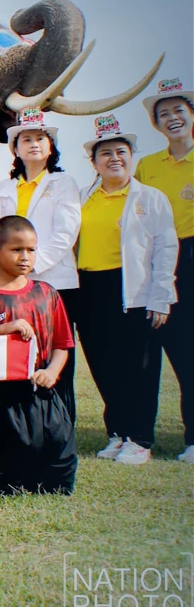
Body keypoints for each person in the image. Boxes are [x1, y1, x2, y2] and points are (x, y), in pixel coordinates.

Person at [75, 115, 178, 466]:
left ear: (132, 156)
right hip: (90, 287)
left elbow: (166, 248)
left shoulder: (151, 198)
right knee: (103, 365)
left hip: (131, 289)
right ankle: (117, 433)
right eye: (105, 153)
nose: (114, 158)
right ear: (94, 162)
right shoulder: (83, 198)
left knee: (139, 368)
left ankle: (140, 439)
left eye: (121, 151)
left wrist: (162, 294)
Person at [0, 216, 76, 495]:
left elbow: (63, 343)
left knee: (57, 475)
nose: (25, 257)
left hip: (42, 395)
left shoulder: (47, 293)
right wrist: (4, 329)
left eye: (31, 250)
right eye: (17, 249)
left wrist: (52, 372)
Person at [0, 109, 81, 418]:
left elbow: (65, 233)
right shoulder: (3, 189)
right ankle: (26, 418)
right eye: (25, 139)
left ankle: (62, 419)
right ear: (15, 149)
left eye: (40, 139)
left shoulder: (64, 183)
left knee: (57, 350)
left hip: (55, 281)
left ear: (51, 146)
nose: (33, 144)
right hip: (13, 287)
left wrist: (31, 264)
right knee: (22, 351)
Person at [137, 77, 194, 463]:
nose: (172, 118)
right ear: (156, 125)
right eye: (164, 114)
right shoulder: (146, 165)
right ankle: (139, 434)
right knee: (161, 347)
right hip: (157, 260)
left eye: (179, 111)